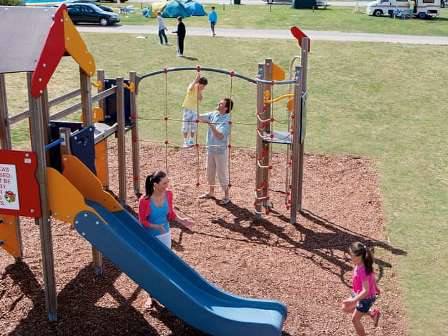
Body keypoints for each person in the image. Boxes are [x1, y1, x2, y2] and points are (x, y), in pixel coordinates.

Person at [138, 171, 193, 249]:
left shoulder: (169, 194)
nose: (167, 186)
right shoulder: (144, 200)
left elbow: (171, 214)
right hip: (149, 236)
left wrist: (182, 220)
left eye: (168, 182)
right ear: (155, 184)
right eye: (164, 183)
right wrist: (156, 226)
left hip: (165, 234)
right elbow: (142, 221)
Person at [198, 98, 233, 205]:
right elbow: (199, 117)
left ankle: (227, 196)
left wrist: (210, 123)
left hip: (220, 151)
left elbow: (220, 135)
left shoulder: (227, 120)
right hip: (211, 149)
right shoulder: (214, 114)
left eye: (221, 103)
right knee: (210, 172)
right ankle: (211, 192)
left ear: (226, 108)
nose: (218, 103)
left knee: (221, 173)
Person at [342, 242, 381, 335]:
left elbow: (366, 290)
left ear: (359, 256)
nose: (350, 258)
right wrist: (376, 287)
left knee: (355, 320)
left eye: (352, 256)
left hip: (366, 298)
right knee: (345, 308)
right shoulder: (362, 263)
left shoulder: (362, 269)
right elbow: (372, 276)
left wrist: (353, 300)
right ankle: (372, 313)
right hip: (358, 294)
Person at [181, 73, 208, 147]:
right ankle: (185, 142)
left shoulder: (199, 91)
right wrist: (196, 80)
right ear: (199, 84)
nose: (204, 88)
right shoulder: (192, 86)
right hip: (187, 108)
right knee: (185, 125)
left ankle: (191, 140)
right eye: (203, 86)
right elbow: (190, 88)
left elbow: (200, 98)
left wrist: (199, 90)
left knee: (193, 126)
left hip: (194, 110)